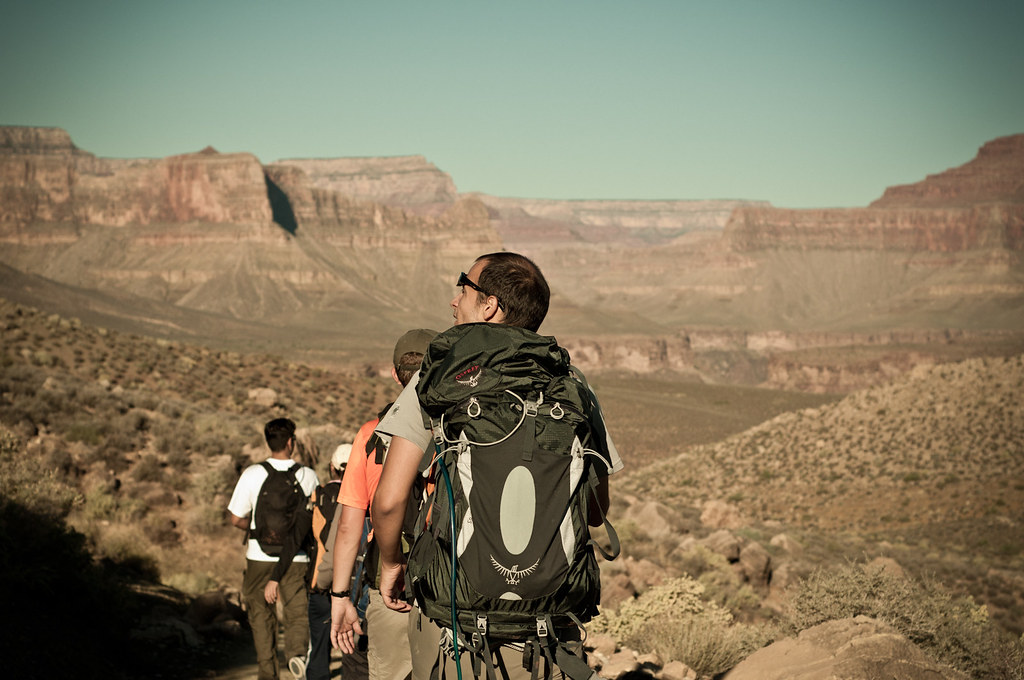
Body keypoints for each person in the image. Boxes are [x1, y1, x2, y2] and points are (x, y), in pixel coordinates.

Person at [371, 252, 624, 680]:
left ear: (489, 306)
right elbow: (597, 510)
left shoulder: (436, 376)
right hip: (547, 627)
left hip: (458, 624)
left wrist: (391, 564)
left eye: (462, 287)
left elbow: (391, 501)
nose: (454, 302)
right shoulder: (572, 382)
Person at [330, 329, 438, 680]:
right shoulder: (458, 431)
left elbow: (349, 526)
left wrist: (340, 595)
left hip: (389, 583)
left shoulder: (370, 435)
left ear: (395, 375)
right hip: (446, 587)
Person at [228, 417, 320, 680]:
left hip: (258, 556)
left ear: (268, 443)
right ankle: (296, 656)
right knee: (296, 611)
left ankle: (268, 672)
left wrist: (256, 529)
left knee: (260, 616)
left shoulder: (253, 474)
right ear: (291, 442)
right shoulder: (307, 475)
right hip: (297, 557)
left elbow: (235, 518)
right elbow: (313, 519)